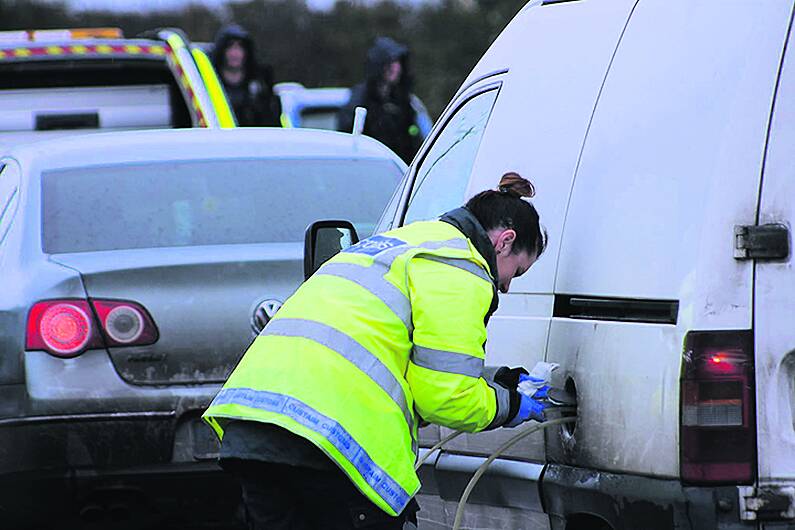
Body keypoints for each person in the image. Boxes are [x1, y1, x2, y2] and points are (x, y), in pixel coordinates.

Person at [203, 172, 549, 529]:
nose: (505, 286)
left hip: (255, 429)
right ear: (505, 242)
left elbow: (383, 358)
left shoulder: (399, 244)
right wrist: (510, 405)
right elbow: (446, 398)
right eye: (516, 272)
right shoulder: (460, 268)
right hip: (327, 443)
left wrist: (498, 381)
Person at [337, 36, 423, 163]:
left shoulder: (402, 101)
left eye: (398, 62)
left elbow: (413, 137)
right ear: (379, 65)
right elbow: (349, 138)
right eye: (391, 63)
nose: (396, 68)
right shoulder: (360, 100)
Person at [211, 24, 281, 127]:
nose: (234, 53)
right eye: (230, 47)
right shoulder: (210, 81)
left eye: (239, 47)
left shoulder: (261, 84)